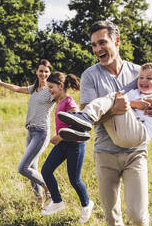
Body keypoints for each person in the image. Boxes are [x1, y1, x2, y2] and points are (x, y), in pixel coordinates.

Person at [65, 20, 152, 226]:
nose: (97, 49)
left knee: (138, 216)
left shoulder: (141, 73)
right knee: (112, 217)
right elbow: (100, 114)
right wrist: (114, 110)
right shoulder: (90, 76)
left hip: (135, 153)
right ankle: (83, 121)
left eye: (102, 42)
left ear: (117, 41)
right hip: (105, 153)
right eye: (93, 45)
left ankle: (82, 121)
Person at [57, 62, 152, 150]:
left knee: (114, 96)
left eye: (149, 78)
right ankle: (82, 125)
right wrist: (134, 104)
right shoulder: (134, 93)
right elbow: (117, 105)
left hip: (139, 135)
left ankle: (85, 117)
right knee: (114, 98)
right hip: (119, 137)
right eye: (141, 77)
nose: (143, 81)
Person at [0, 59, 54, 206]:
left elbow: (64, 99)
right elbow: (16, 88)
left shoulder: (51, 90)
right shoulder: (34, 89)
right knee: (31, 168)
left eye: (46, 71)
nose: (43, 74)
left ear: (50, 73)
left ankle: (50, 189)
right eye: (41, 71)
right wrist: (1, 83)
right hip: (31, 132)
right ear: (37, 72)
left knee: (23, 167)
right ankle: (39, 200)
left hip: (42, 132)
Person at [40, 71, 94, 224]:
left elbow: (80, 126)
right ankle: (57, 202)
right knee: (46, 170)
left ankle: (86, 205)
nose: (49, 90)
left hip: (75, 145)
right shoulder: (59, 101)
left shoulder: (70, 103)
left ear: (61, 86)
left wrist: (60, 136)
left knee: (74, 179)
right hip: (63, 145)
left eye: (51, 87)